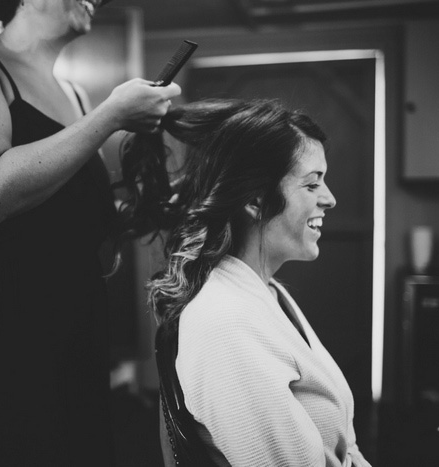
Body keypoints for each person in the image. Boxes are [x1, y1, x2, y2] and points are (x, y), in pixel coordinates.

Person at [0, 0, 181, 464]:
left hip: (72, 337)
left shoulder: (73, 95)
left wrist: (149, 208)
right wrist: (111, 115)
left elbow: (75, 232)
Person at [118, 98, 372, 466]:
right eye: (312, 184)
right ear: (255, 199)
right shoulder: (225, 323)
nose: (329, 199)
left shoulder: (266, 292)